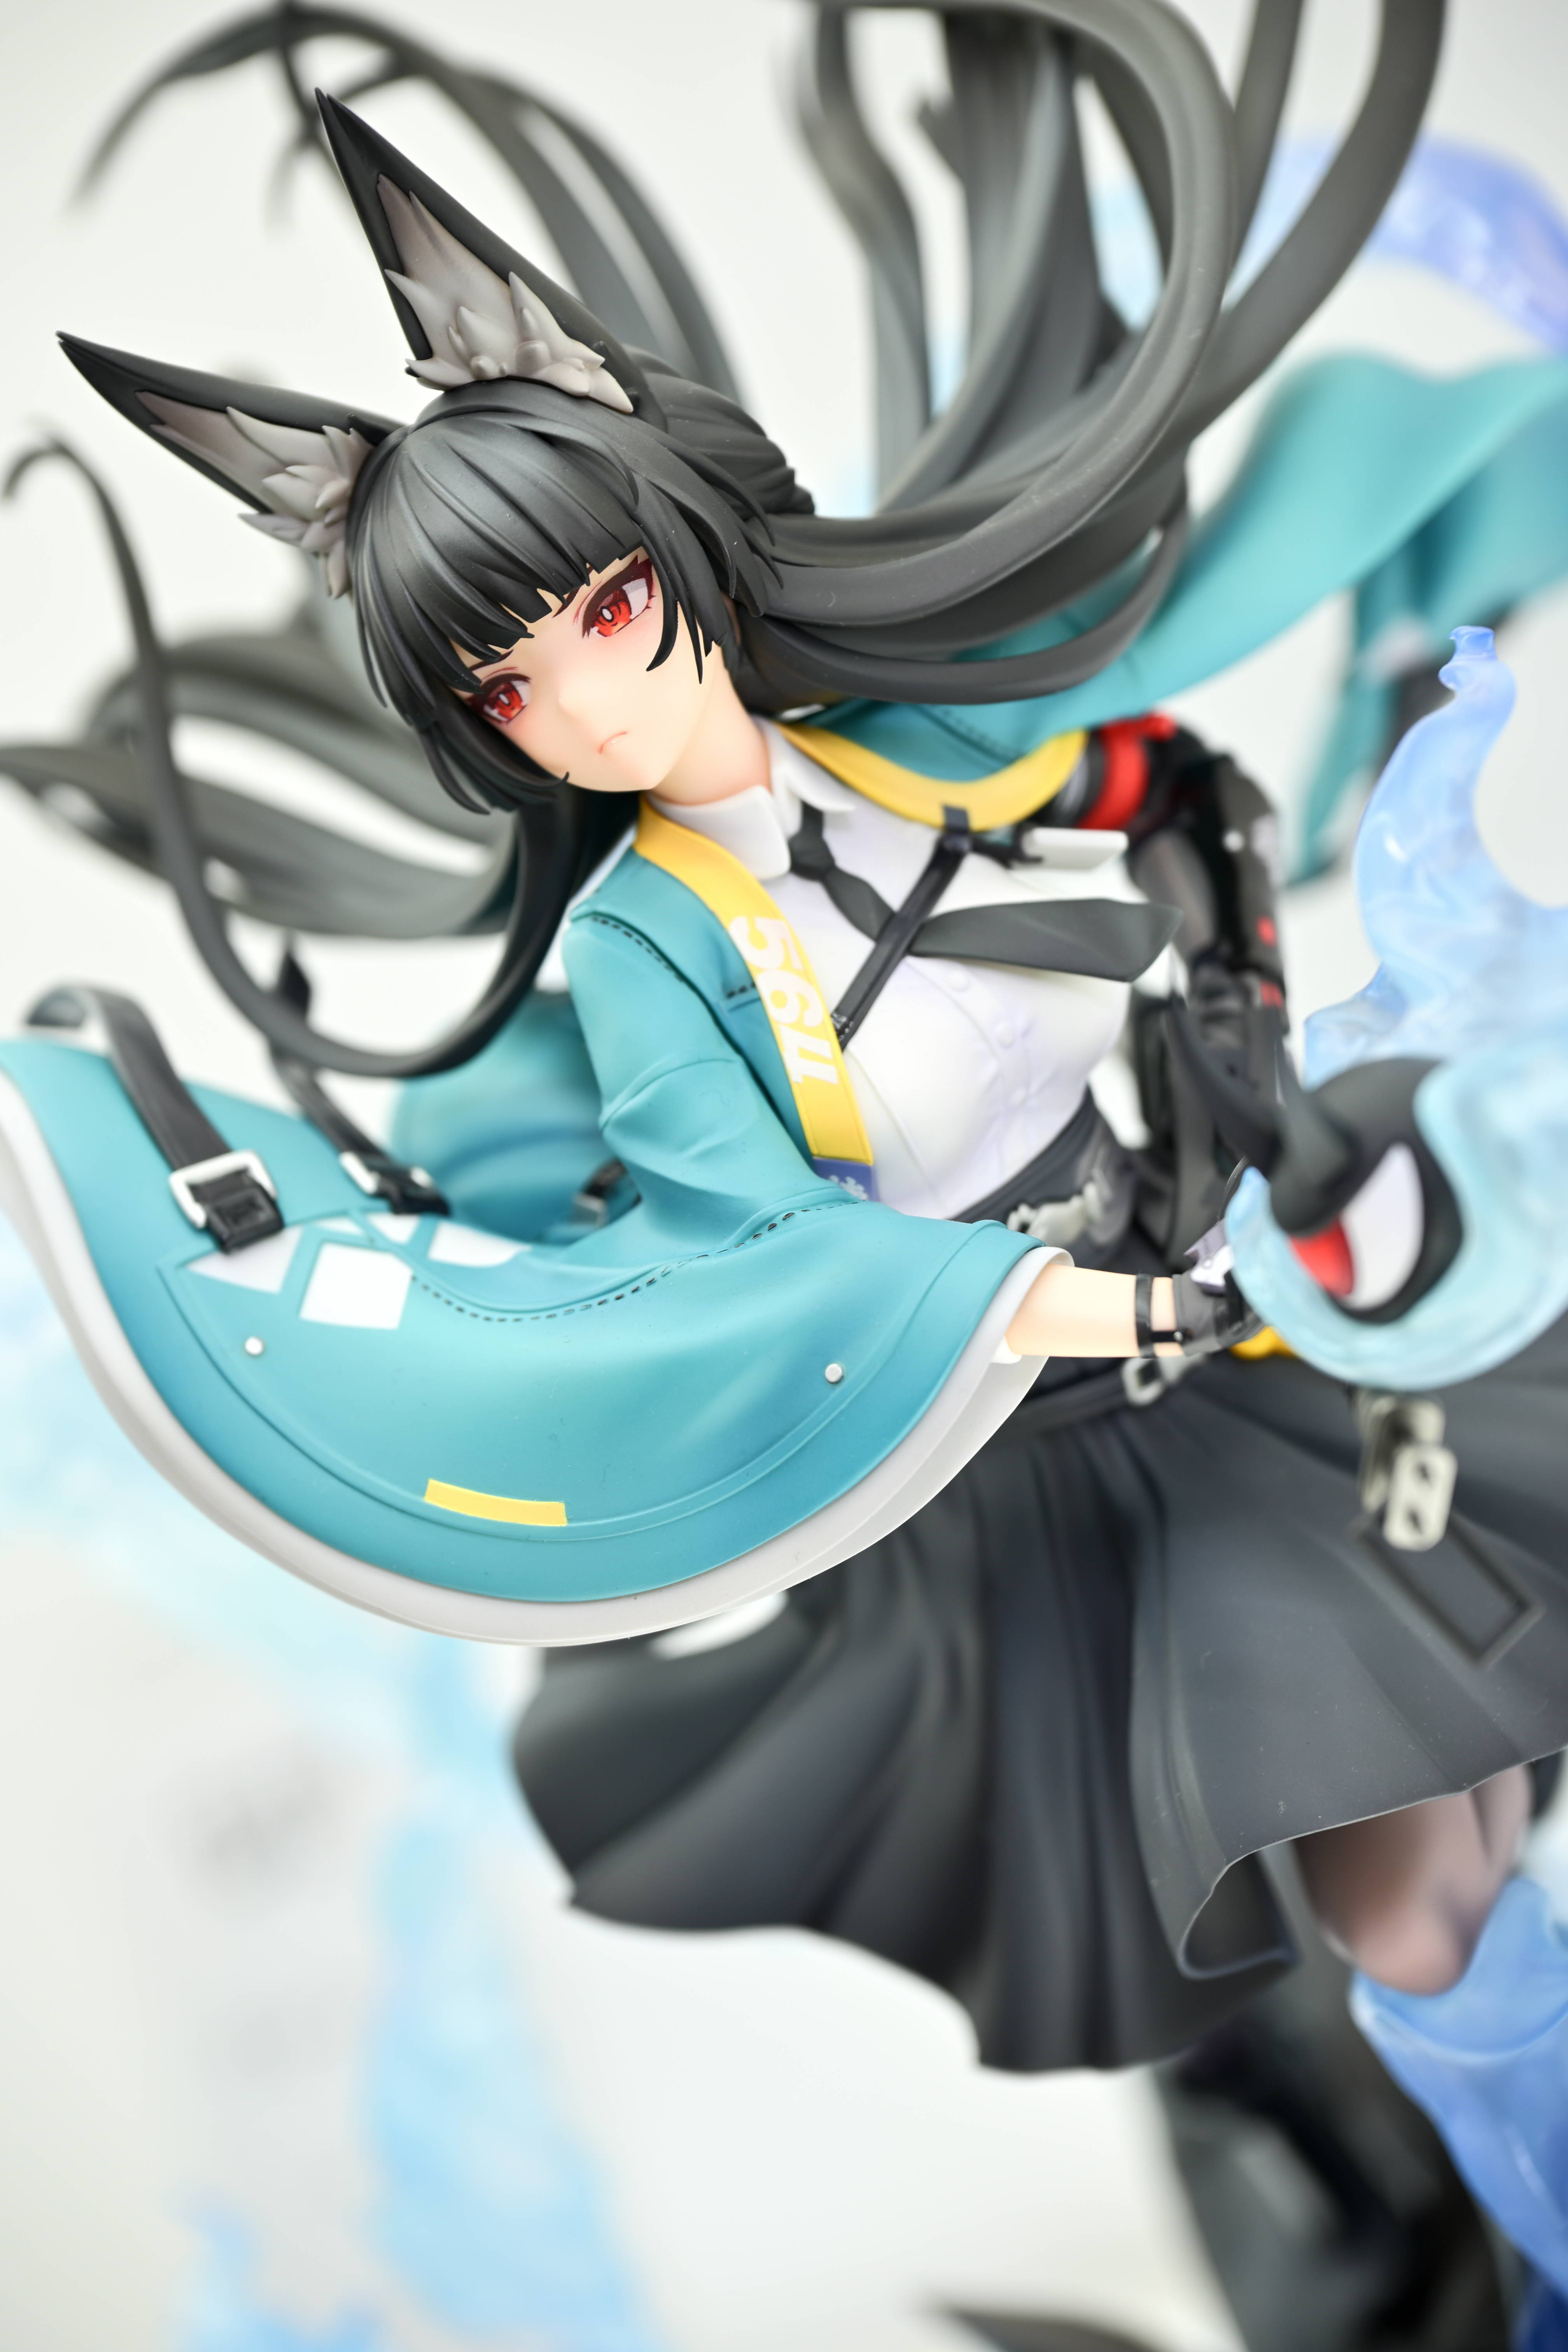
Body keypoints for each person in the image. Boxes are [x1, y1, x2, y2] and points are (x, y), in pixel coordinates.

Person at [7, 4, 1568, 2132]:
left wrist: (1247, 1012)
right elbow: (762, 1254)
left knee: (1483, 1775)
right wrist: (1116, 1311)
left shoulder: (934, 737)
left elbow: (1178, 794)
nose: (588, 703)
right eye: (511, 688)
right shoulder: (650, 953)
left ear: (673, 545)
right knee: (1407, 1909)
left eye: (603, 612)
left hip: (1257, 1299)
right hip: (1053, 1443)